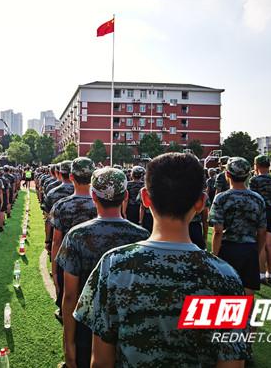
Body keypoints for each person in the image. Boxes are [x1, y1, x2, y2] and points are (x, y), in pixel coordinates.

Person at [74, 153, 247, 367]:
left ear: (145, 199)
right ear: (201, 202)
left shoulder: (114, 265)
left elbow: (100, 361)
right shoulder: (226, 276)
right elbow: (231, 363)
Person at [56, 167, 149, 368]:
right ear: (125, 196)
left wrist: (68, 345)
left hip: (87, 324)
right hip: (129, 326)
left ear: (93, 195)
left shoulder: (76, 235)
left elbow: (70, 295)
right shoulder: (142, 236)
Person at [209, 157, 266, 295]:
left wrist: (214, 256)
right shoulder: (258, 199)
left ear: (227, 174)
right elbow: (262, 231)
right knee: (248, 290)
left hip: (227, 248)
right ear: (248, 175)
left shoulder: (221, 198)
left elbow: (218, 231)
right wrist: (256, 251)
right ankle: (247, 316)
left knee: (225, 292)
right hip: (250, 248)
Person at [50, 157, 97, 322]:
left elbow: (56, 241)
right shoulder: (101, 203)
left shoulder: (62, 205)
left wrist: (55, 270)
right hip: (96, 263)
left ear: (71, 177)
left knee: (68, 299)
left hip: (68, 262)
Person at [249, 155, 271, 284]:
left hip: (259, 213)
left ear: (256, 165)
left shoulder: (254, 180)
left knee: (260, 244)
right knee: (270, 244)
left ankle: (261, 274)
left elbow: (253, 198)